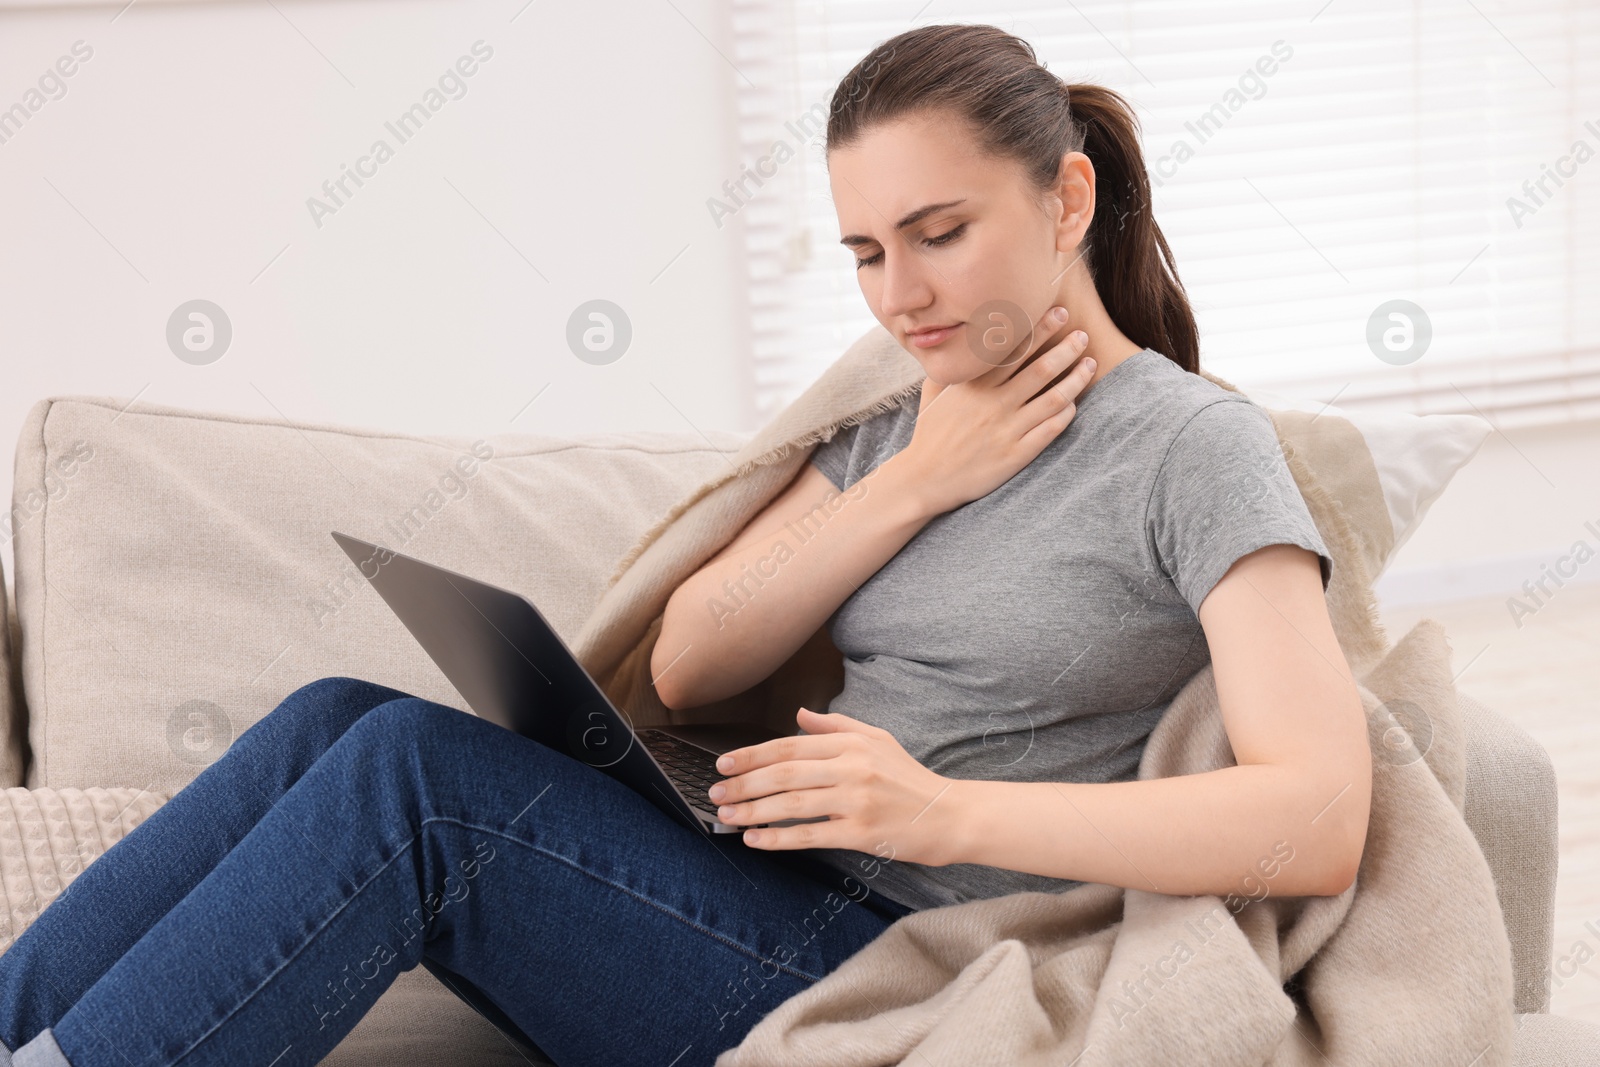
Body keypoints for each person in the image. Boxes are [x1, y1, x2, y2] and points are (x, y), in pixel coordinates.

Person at [0, 22, 1371, 1067]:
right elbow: (700, 660)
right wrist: (909, 486)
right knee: (333, 721)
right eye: (866, 252)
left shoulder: (1195, 450)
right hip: (756, 879)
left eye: (939, 234)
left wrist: (941, 812)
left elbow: (1315, 815)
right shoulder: (900, 418)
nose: (901, 294)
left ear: (1068, 203)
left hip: (907, 957)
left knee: (414, 787)